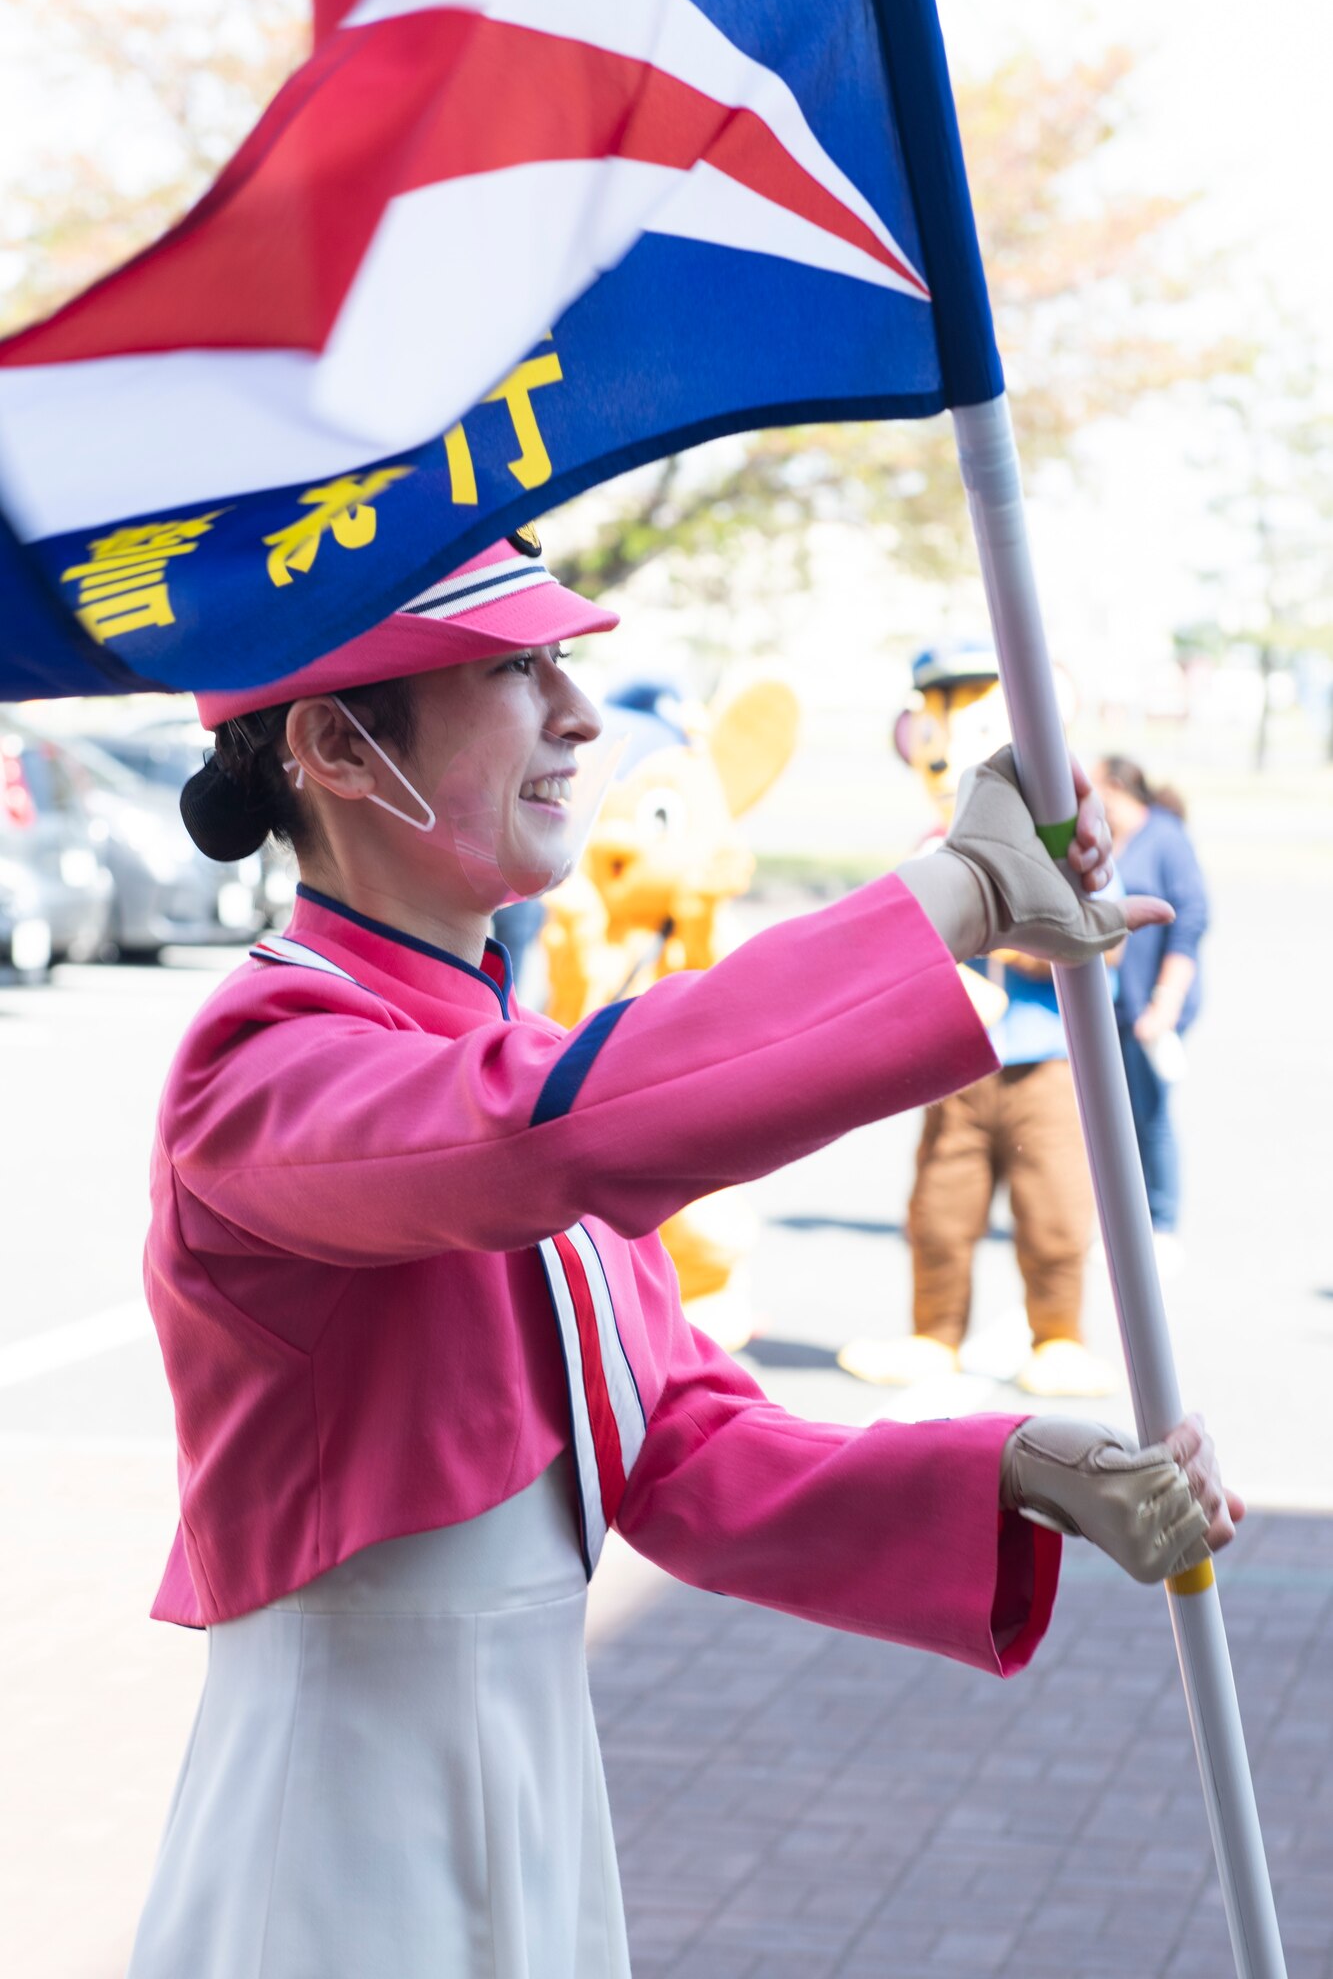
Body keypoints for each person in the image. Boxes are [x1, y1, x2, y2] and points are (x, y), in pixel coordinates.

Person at [127, 534, 1240, 1979]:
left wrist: (1022, 1466)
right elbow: (546, 1142)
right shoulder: (262, 1064)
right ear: (339, 745)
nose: (579, 717)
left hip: (537, 1791)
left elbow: (680, 1451)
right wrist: (948, 898)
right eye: (518, 670)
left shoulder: (498, 1062)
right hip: (335, 1817)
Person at [840, 641, 1116, 1397]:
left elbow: (1100, 931)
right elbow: (894, 936)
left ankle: (1057, 1333)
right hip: (953, 1063)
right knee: (938, 1206)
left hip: (1043, 1062)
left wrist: (1018, 938)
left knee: (1054, 1208)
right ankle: (933, 1332)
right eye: (939, 716)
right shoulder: (930, 844)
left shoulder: (1064, 835)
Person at [1092, 756, 1209, 1264]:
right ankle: (1125, 1223)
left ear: (1115, 788)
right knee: (1113, 1116)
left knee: (1151, 1114)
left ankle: (1162, 1226)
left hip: (1149, 1004)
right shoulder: (1108, 839)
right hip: (1112, 1005)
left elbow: (1191, 921)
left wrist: (1166, 1000)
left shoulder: (1165, 837)